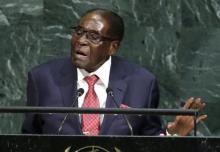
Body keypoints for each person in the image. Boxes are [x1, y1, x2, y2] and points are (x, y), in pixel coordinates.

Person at [22, 8, 207, 136]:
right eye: (79, 32)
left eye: (93, 36)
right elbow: (29, 139)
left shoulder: (142, 82)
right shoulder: (42, 78)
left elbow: (148, 140)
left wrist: (172, 134)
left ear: (113, 47)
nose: (81, 41)